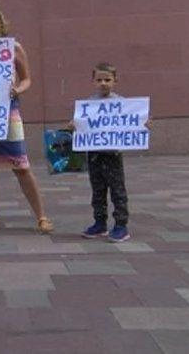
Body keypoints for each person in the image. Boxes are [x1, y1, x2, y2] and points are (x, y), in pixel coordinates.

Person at [0, 7, 53, 234]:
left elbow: (26, 79)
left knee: (21, 164)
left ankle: (41, 216)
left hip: (8, 111)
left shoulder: (13, 48)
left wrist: (18, 89)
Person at [71, 62, 141, 243]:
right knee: (98, 190)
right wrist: (73, 126)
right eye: (99, 79)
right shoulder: (88, 104)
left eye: (107, 80)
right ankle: (100, 222)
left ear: (115, 81)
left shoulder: (122, 104)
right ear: (93, 81)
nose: (103, 83)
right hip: (94, 154)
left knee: (117, 190)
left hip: (112, 155)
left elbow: (134, 121)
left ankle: (121, 225)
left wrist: (143, 123)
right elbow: (82, 124)